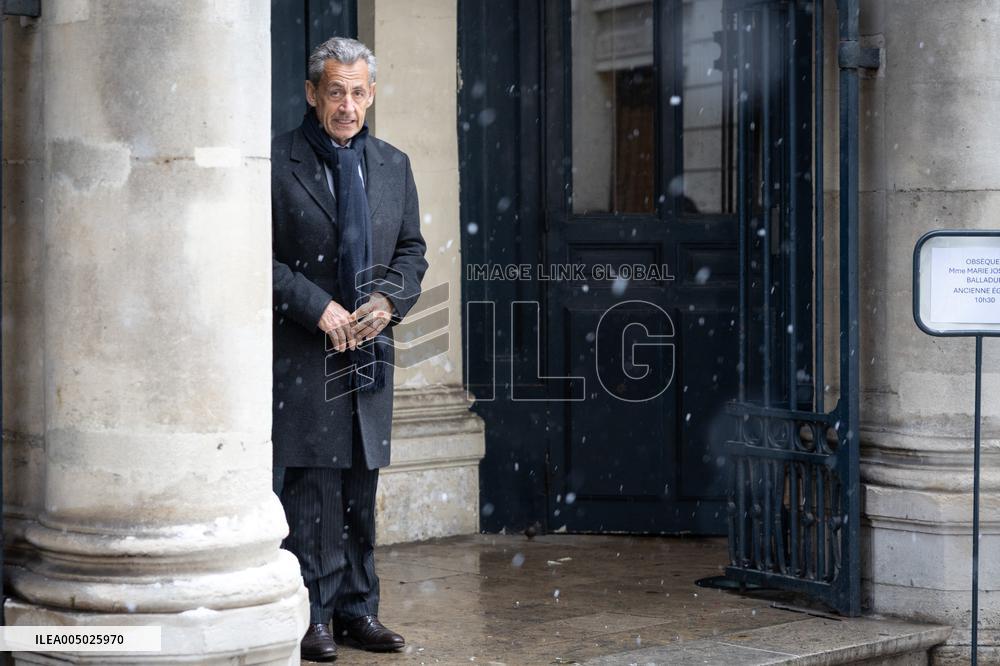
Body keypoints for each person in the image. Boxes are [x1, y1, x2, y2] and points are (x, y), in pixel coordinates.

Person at [270, 36, 427, 662]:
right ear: (312, 94)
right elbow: (258, 259)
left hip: (369, 352)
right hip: (305, 355)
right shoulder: (276, 162)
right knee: (312, 493)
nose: (347, 104)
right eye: (335, 91)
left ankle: (359, 610)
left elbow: (411, 251)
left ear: (372, 94)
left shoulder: (393, 164)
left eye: (358, 92)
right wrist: (318, 307)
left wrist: (388, 302)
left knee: (362, 491)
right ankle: (312, 616)